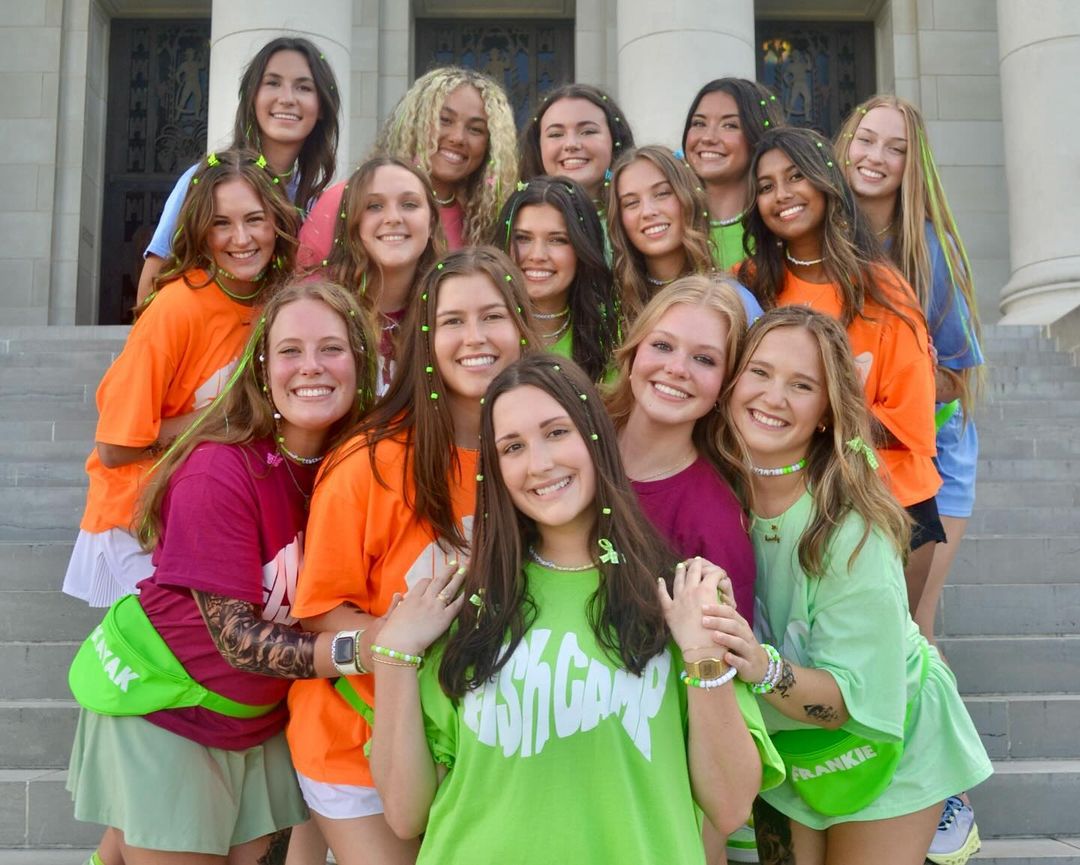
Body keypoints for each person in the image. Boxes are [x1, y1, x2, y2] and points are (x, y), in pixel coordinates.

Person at [368, 353, 781, 865]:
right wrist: (394, 654)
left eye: (556, 432)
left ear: (595, 437)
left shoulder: (683, 594)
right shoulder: (464, 602)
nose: (539, 463)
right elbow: (405, 814)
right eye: (513, 447)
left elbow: (731, 805)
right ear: (495, 471)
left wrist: (702, 656)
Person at [66, 280, 380, 865]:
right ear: (262, 367)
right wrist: (370, 648)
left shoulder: (354, 465)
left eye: (331, 348)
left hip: (254, 719)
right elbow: (238, 638)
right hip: (166, 705)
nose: (311, 366)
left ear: (361, 362)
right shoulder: (219, 469)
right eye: (289, 350)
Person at [705, 306, 991, 865]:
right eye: (760, 372)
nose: (773, 397)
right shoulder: (715, 494)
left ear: (825, 414)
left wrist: (760, 667)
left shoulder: (851, 532)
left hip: (890, 739)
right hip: (791, 744)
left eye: (802, 385)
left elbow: (844, 703)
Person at [284, 247, 536, 865]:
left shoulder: (548, 457)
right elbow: (319, 614)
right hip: (359, 741)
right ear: (425, 338)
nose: (475, 338)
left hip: (491, 747)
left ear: (522, 328)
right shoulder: (367, 462)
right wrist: (405, 642)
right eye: (452, 321)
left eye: (493, 316)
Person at [837, 94, 988, 865]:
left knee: (915, 626)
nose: (875, 156)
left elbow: (963, 374)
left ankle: (948, 793)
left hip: (935, 463)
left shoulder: (926, 250)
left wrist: (898, 388)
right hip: (852, 465)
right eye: (866, 139)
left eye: (893, 147)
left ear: (910, 164)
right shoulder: (826, 231)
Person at [62, 149, 299, 610]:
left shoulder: (279, 301)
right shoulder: (175, 309)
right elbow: (115, 447)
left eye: (255, 219)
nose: (242, 238)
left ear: (278, 222)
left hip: (210, 517)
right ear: (200, 230)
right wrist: (226, 417)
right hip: (138, 528)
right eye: (221, 223)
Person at [736, 126, 943, 609]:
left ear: (827, 181)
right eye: (766, 186)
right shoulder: (748, 285)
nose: (781, 194)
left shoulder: (883, 290)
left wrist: (812, 421)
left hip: (889, 503)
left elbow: (910, 420)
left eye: (795, 177)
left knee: (886, 649)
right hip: (780, 505)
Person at [605, 275, 759, 865]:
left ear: (724, 385)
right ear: (633, 351)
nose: (676, 369)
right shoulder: (570, 441)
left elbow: (717, 696)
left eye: (704, 359)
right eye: (663, 346)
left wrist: (704, 845)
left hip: (649, 775)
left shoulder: (714, 521)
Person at [137, 37, 340, 305]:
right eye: (273, 83)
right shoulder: (205, 180)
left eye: (303, 87)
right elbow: (151, 287)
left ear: (322, 106)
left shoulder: (316, 203)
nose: (287, 99)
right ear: (252, 97)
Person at [300, 66, 518, 262]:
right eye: (444, 120)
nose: (458, 137)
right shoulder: (347, 199)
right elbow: (306, 278)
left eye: (476, 129)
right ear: (414, 124)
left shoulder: (483, 228)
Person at [320, 155, 445, 391]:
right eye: (374, 206)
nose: (393, 218)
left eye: (409, 204)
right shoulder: (323, 312)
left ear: (431, 224)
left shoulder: (449, 312)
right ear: (353, 224)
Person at [608, 145, 762, 324]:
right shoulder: (611, 308)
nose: (648, 211)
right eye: (631, 203)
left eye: (662, 194)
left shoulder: (733, 300)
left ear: (690, 200)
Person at [493, 175, 619, 380]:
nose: (537, 255)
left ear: (583, 248)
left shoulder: (611, 336)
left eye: (557, 240)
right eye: (523, 238)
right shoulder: (482, 331)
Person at [679, 78, 786, 271]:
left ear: (758, 135)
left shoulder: (781, 227)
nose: (708, 137)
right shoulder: (670, 225)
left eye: (729, 125)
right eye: (699, 123)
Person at [519, 83, 635, 214]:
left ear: (614, 139)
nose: (571, 144)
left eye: (588, 132)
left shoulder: (643, 216)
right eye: (556, 134)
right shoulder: (519, 220)